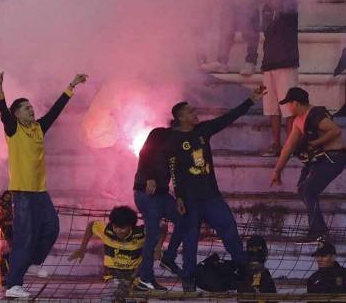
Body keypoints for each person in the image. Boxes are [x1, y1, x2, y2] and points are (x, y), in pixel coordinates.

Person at [0, 70, 88, 299]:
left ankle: (34, 262)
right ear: (16, 114)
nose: (31, 109)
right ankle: (13, 284)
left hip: (40, 190)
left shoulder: (38, 128)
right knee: (25, 237)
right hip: (23, 192)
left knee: (52, 228)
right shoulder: (13, 129)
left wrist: (71, 85)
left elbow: (55, 111)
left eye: (31, 106)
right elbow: (2, 112)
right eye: (26, 107)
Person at [169, 85, 267, 291]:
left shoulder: (203, 130)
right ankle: (188, 278)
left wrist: (250, 100)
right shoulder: (172, 138)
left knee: (229, 230)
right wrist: (177, 196)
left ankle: (243, 270)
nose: (195, 114)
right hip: (189, 199)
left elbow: (227, 118)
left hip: (211, 196)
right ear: (180, 118)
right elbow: (172, 169)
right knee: (190, 239)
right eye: (191, 112)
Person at [270, 87, 346, 242]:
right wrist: (277, 170)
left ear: (295, 103)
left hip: (333, 157)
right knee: (303, 188)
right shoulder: (299, 120)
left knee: (308, 190)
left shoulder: (315, 115)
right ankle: (317, 229)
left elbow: (336, 131)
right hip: (320, 158)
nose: (288, 107)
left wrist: (315, 143)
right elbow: (288, 147)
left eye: (289, 104)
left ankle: (318, 231)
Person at [69, 206, 156, 301]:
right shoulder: (107, 230)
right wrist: (82, 249)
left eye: (122, 228)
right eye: (115, 227)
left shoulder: (141, 233)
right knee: (110, 296)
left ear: (130, 226)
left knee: (135, 298)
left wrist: (158, 249)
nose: (118, 231)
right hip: (113, 276)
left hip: (135, 277)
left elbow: (162, 227)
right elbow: (91, 225)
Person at [133, 126, 183, 290]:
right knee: (153, 233)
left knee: (184, 220)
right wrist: (150, 178)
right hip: (146, 191)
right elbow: (145, 153)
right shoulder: (160, 133)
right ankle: (145, 278)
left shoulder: (182, 142)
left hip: (163, 193)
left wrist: (179, 196)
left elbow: (176, 172)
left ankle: (168, 258)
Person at [259, 0, 299, 157]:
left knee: (289, 107)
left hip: (286, 64)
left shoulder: (290, 11)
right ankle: (275, 144)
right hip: (268, 64)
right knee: (271, 108)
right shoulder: (266, 13)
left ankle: (290, 145)